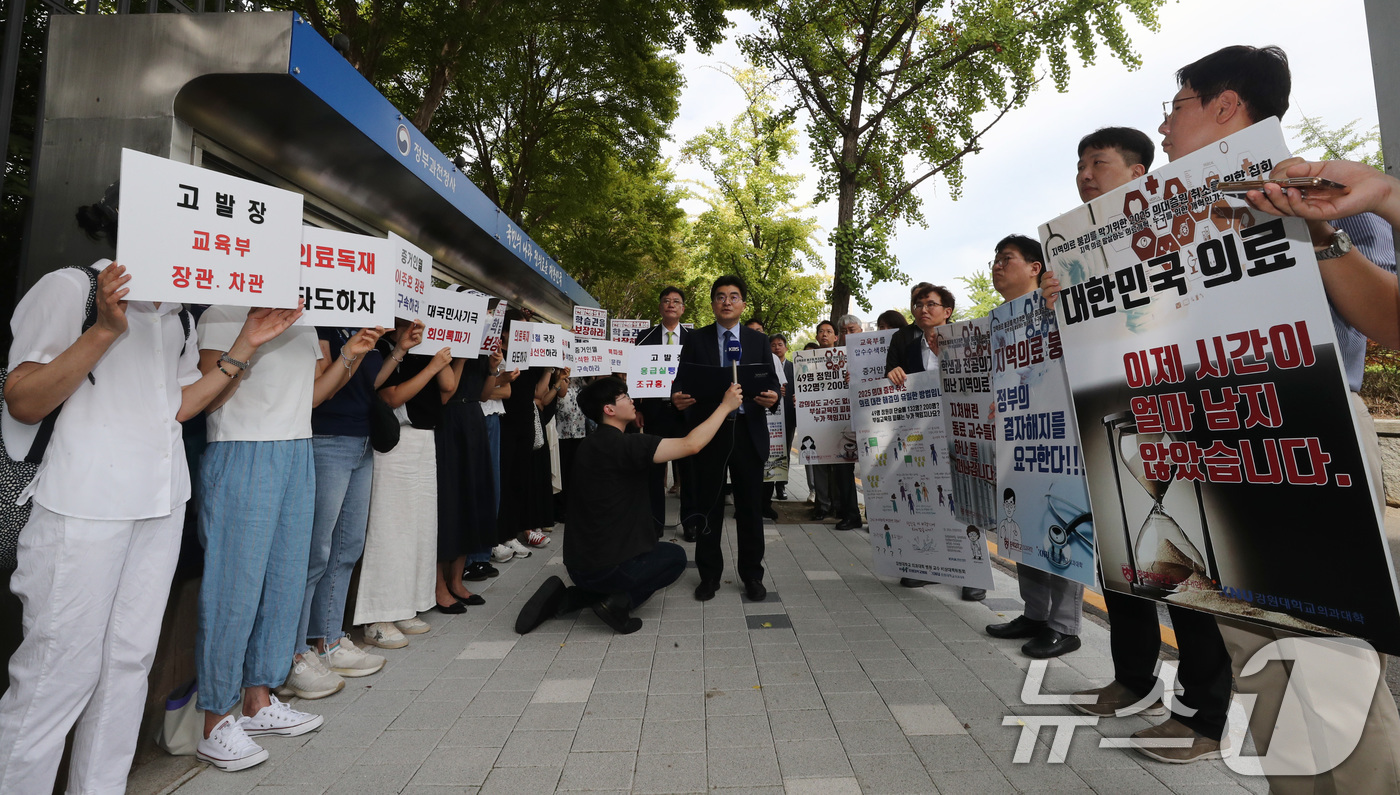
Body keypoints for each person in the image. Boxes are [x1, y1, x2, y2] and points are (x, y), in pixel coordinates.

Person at [1150, 44, 1400, 785]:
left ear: (1225, 106)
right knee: (1257, 661)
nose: (1164, 127)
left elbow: (1388, 322)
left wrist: (1316, 230)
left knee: (1329, 662)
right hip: (1208, 449)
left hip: (1304, 437)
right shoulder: (1166, 224)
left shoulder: (1326, 190)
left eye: (1177, 104)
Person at [0, 195, 303, 793]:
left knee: (127, 668)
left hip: (160, 506)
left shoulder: (179, 313)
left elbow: (180, 405)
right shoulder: (71, 290)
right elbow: (23, 398)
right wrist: (105, 330)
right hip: (78, 508)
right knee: (56, 675)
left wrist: (246, 342)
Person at [1056, 126, 1234, 764]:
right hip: (1115, 423)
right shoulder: (1079, 259)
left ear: (1137, 175)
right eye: (1079, 165)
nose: (1084, 175)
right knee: (1126, 565)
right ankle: (1133, 682)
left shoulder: (1187, 231)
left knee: (1186, 572)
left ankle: (1206, 713)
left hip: (1182, 419)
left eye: (1097, 163)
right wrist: (1061, 306)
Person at [194, 294, 383, 770]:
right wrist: (249, 340)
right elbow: (208, 395)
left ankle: (259, 700)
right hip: (243, 450)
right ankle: (215, 720)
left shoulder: (305, 319)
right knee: (233, 589)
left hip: (297, 448)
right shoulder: (221, 312)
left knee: (283, 582)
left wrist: (349, 356)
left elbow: (314, 396)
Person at [515, 378, 745, 635]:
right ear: (609, 409)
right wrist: (725, 407)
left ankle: (572, 598)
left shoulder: (589, 445)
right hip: (608, 568)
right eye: (624, 396)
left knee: (643, 553)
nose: (631, 399)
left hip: (578, 566)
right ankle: (615, 603)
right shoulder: (625, 445)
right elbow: (692, 444)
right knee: (675, 558)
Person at [282, 324, 400, 700]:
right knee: (315, 550)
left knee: (347, 545)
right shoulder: (322, 320)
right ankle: (292, 653)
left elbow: (368, 383)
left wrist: (398, 351)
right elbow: (324, 388)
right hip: (327, 438)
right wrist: (352, 350)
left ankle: (328, 641)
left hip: (362, 439)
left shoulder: (363, 322)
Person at [981, 235, 1083, 658]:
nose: (997, 266)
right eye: (995, 260)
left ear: (1035, 267)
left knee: (1059, 524)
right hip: (1016, 437)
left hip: (1059, 435)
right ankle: (1034, 614)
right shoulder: (997, 321)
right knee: (1022, 522)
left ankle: (1065, 625)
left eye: (1007, 259)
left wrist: (1059, 307)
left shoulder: (1061, 306)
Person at [671, 275, 781, 601]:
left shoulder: (757, 340)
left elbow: (772, 383)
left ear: (743, 304)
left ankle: (752, 576)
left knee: (749, 509)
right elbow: (682, 382)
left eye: (734, 296)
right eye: (720, 296)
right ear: (713, 303)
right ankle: (708, 576)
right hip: (710, 433)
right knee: (709, 508)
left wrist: (772, 396)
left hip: (748, 433)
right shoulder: (696, 339)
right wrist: (677, 397)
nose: (727, 301)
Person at [353, 320, 456, 650]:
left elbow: (447, 389)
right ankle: (377, 614)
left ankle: (406, 604)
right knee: (390, 528)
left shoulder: (423, 346)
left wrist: (442, 360)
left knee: (419, 527)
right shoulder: (383, 345)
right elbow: (391, 397)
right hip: (395, 440)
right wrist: (429, 364)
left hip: (425, 440)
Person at [884, 282, 986, 602]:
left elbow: (979, 379)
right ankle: (925, 565)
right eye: (918, 304)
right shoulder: (908, 345)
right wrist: (893, 373)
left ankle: (974, 573)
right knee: (926, 499)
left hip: (960, 432)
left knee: (967, 499)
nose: (923, 309)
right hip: (920, 434)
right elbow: (890, 374)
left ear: (947, 311)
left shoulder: (966, 339)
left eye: (930, 304)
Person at [636, 287, 694, 539]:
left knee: (689, 470)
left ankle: (691, 523)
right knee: (654, 472)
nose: (671, 304)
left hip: (686, 414)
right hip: (654, 412)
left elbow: (699, 375)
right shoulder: (643, 337)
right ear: (660, 307)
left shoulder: (694, 339)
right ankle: (654, 523)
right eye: (666, 301)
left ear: (682, 309)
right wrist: (637, 407)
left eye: (676, 301)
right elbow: (637, 375)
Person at [745, 318, 790, 522]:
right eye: (751, 331)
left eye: (759, 331)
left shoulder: (771, 357)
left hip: (771, 418)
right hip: (745, 418)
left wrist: (776, 394)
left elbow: (780, 387)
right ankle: (745, 505)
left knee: (771, 462)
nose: (756, 335)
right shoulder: (737, 353)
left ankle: (766, 504)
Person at [807, 320, 841, 521]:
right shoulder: (807, 360)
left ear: (836, 337)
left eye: (829, 331)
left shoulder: (845, 357)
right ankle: (823, 505)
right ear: (817, 337)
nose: (825, 335)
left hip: (839, 418)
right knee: (818, 463)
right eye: (821, 332)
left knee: (839, 464)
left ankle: (838, 505)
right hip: (816, 418)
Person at [768, 333, 796, 503]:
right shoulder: (767, 366)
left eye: (780, 344)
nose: (777, 348)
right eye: (773, 345)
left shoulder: (794, 368)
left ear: (786, 347)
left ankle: (781, 486)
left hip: (788, 415)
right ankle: (768, 485)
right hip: (769, 417)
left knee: (785, 450)